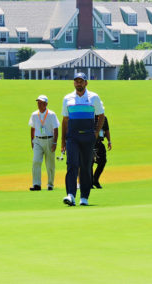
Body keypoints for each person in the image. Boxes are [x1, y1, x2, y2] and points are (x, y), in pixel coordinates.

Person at [61, 72, 105, 206]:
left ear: (86, 83)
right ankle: (71, 195)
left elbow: (101, 115)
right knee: (72, 164)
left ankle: (84, 196)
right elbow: (65, 120)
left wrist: (96, 133)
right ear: (74, 83)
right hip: (72, 136)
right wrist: (63, 140)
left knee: (86, 166)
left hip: (88, 136)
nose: (78, 83)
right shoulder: (67, 98)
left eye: (81, 81)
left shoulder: (94, 97)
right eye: (76, 81)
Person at [29, 95, 59, 191]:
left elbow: (56, 129)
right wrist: (32, 141)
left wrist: (55, 143)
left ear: (46, 104)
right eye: (38, 102)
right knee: (36, 161)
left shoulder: (51, 114)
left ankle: (50, 184)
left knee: (50, 164)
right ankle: (36, 184)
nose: (39, 104)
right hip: (37, 140)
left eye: (41, 102)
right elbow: (32, 128)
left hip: (49, 140)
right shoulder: (34, 114)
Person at [92, 115, 112, 189]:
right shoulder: (89, 116)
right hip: (90, 143)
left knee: (102, 161)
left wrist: (109, 141)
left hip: (99, 142)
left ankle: (95, 179)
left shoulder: (104, 118)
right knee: (90, 163)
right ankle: (90, 182)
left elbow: (106, 130)